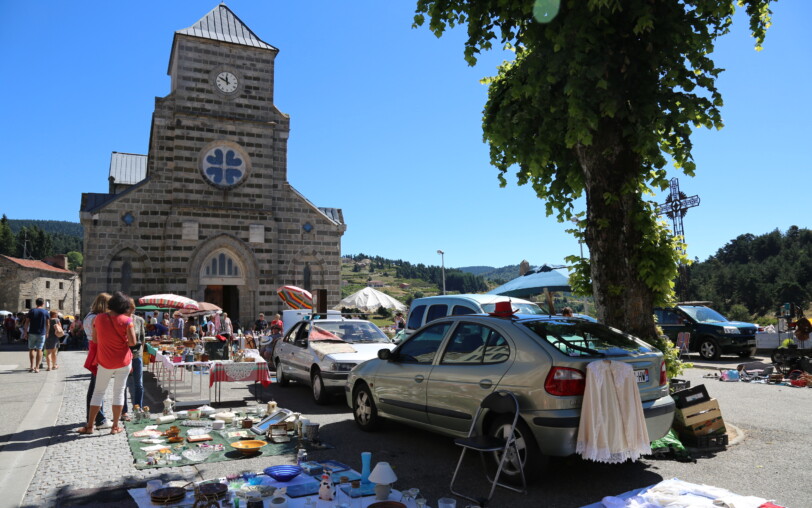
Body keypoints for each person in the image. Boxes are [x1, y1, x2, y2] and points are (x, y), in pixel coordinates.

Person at [80, 291, 136, 435]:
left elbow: (95, 339)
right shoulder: (127, 321)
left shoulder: (98, 318)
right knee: (119, 392)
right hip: (123, 361)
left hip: (104, 361)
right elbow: (132, 342)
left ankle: (90, 426)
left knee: (98, 392)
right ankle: (115, 426)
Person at [80, 293, 113, 432]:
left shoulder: (89, 316)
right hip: (99, 351)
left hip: (93, 349)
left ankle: (93, 417)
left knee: (95, 387)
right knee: (97, 388)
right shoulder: (97, 318)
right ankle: (99, 419)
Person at [124, 304, 146, 420]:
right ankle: (124, 411)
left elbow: (142, 338)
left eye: (132, 309)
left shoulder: (139, 320)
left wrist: (142, 354)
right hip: (123, 354)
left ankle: (138, 407)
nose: (130, 312)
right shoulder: (120, 320)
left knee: (139, 384)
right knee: (123, 384)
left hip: (137, 354)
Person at [24, 298, 49, 373]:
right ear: (43, 304)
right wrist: (47, 332)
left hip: (32, 332)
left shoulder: (31, 311)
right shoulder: (45, 312)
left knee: (31, 349)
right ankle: (37, 367)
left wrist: (25, 332)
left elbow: (27, 322)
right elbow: (48, 324)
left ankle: (32, 366)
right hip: (41, 333)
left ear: (36, 303)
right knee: (39, 349)